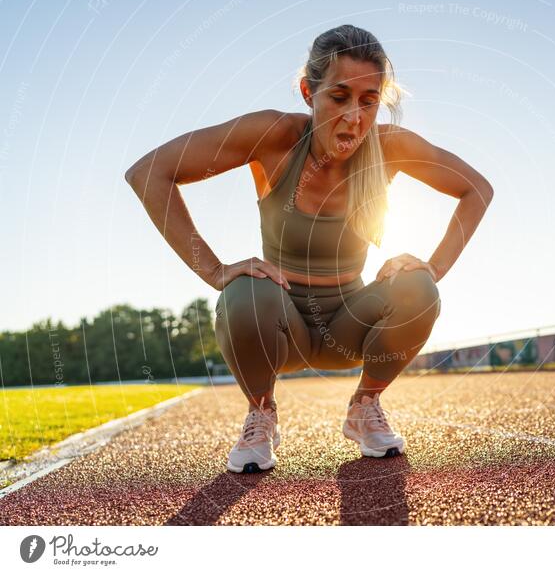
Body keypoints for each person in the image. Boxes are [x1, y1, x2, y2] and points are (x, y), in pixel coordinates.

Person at [125, 24, 494, 473]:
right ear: (307, 91)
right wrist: (215, 270)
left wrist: (433, 267)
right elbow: (149, 173)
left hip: (349, 323)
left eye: (369, 101)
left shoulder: (390, 147)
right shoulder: (274, 136)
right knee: (243, 291)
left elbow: (477, 188)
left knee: (417, 287)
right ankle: (261, 413)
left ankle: (366, 406)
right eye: (339, 97)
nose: (354, 117)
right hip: (279, 323)